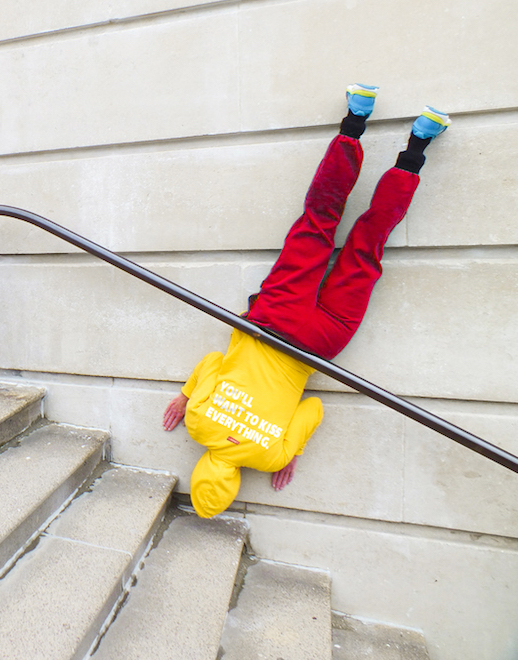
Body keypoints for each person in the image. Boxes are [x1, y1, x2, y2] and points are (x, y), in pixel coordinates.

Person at [162, 84, 451, 518]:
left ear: (234, 485)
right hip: (273, 322)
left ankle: (418, 146)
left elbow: (312, 409)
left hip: (320, 342)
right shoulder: (200, 426)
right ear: (202, 470)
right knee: (319, 221)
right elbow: (210, 363)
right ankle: (355, 123)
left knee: (367, 248)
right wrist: (185, 397)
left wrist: (290, 450)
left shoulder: (270, 458)